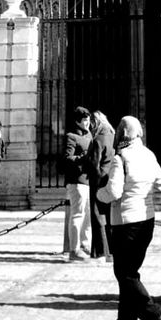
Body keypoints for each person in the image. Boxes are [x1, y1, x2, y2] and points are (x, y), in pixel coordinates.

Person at [101, 114, 161, 320]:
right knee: (130, 272)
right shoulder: (148, 154)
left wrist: (98, 194)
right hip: (147, 220)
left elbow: (114, 191)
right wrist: (143, 191)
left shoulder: (121, 157)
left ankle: (152, 314)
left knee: (125, 274)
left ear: (124, 133)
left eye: (120, 129)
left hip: (125, 223)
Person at [62, 105, 93, 261]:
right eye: (84, 121)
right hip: (77, 180)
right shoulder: (71, 136)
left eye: (88, 120)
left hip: (88, 180)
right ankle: (74, 249)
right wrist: (83, 158)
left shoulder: (90, 136)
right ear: (77, 121)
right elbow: (67, 158)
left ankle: (85, 245)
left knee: (87, 214)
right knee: (77, 214)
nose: (87, 123)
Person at [85, 110, 114, 261]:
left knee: (97, 215)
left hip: (98, 181)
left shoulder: (98, 139)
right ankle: (111, 249)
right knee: (109, 215)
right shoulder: (112, 135)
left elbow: (94, 164)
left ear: (96, 123)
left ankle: (100, 250)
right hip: (109, 178)